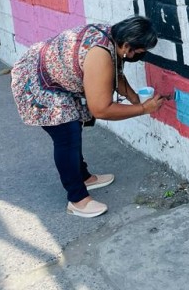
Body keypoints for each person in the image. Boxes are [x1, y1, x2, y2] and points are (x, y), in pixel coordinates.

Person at [10, 15, 166, 218]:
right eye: (140, 52)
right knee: (67, 135)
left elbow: (116, 74)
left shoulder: (111, 37)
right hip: (38, 82)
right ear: (127, 45)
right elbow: (101, 109)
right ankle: (77, 199)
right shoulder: (100, 54)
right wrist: (143, 109)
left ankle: (83, 176)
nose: (140, 56)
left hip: (54, 77)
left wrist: (135, 98)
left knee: (74, 128)